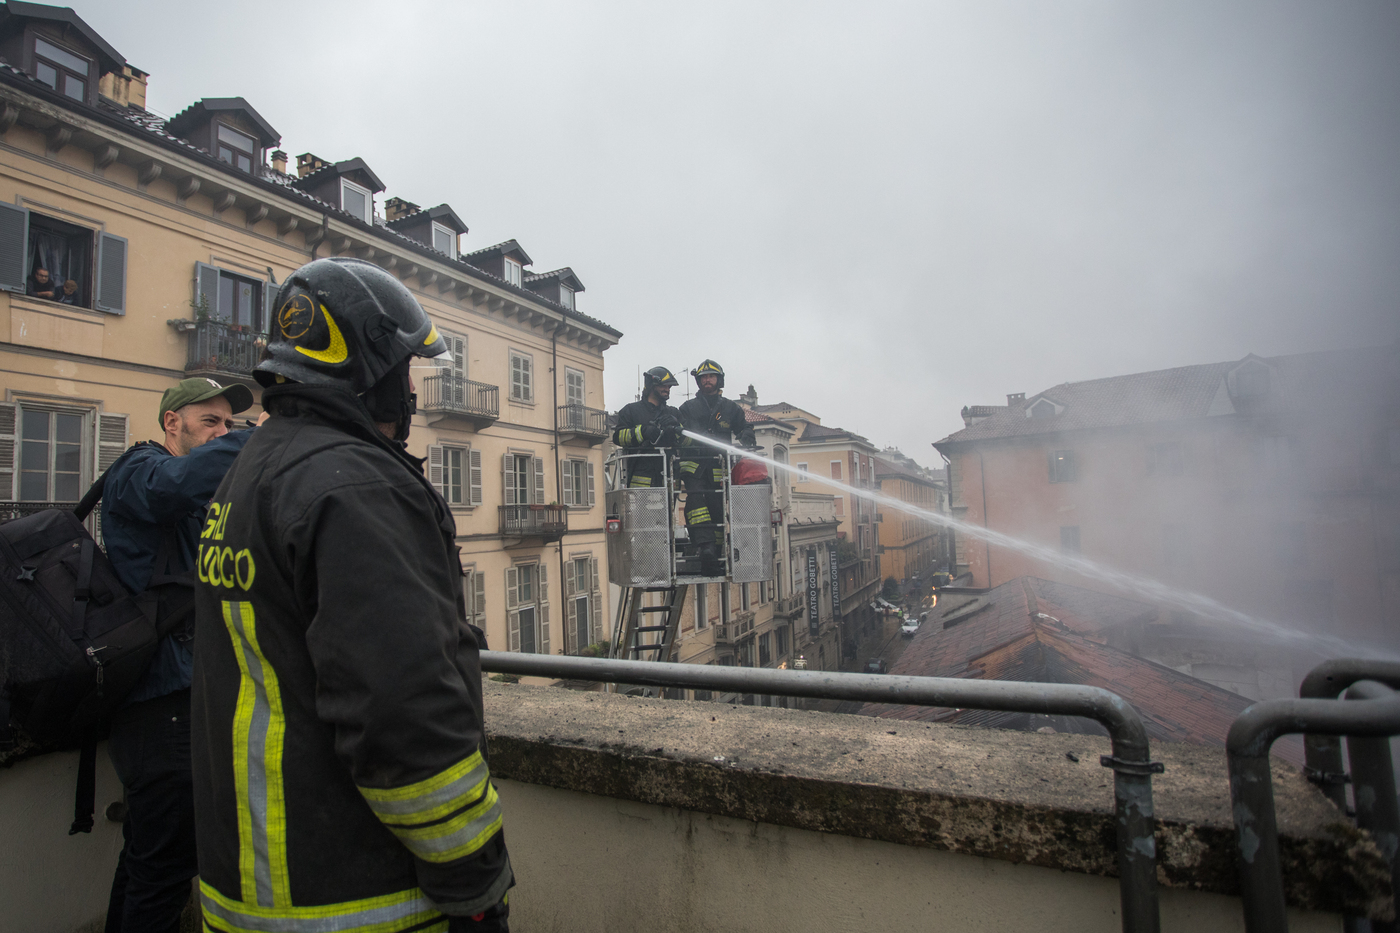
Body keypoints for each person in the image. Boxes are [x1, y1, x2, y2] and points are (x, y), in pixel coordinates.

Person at [192, 257, 513, 933]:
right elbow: (402, 707)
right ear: (375, 375)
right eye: (405, 373)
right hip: (353, 896)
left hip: (250, 890)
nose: (411, 395)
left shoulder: (255, 469)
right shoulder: (355, 487)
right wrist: (476, 881)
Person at [101, 376, 260, 933]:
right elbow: (179, 483)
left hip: (181, 700)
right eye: (211, 422)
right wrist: (267, 435)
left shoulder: (190, 491)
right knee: (165, 867)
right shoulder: (137, 471)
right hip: (160, 706)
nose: (223, 431)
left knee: (149, 860)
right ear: (173, 423)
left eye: (229, 424)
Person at [678, 359, 755, 575]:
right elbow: (677, 433)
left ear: (718, 380)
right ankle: (706, 547)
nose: (707, 380)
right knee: (695, 500)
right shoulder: (687, 408)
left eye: (711, 377)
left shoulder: (730, 408)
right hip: (693, 466)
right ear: (699, 381)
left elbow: (744, 427)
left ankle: (716, 556)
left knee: (717, 509)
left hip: (718, 466)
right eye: (703, 377)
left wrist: (747, 435)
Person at [612, 366, 684, 488]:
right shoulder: (631, 410)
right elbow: (618, 437)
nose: (667, 389)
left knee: (668, 508)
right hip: (641, 478)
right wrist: (643, 432)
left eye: (669, 387)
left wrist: (676, 426)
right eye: (663, 386)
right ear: (651, 385)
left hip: (668, 477)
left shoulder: (673, 413)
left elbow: (686, 440)